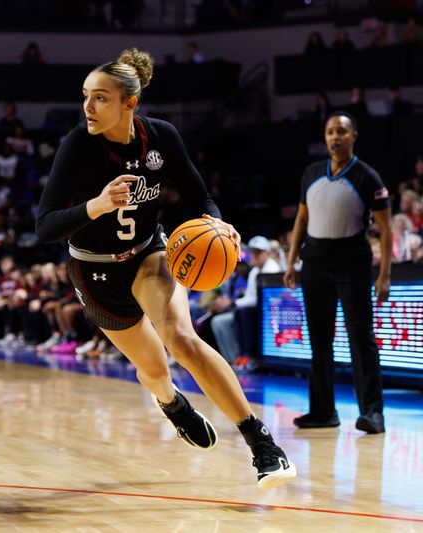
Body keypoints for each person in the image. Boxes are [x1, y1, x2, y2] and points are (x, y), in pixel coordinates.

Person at [36, 48, 296, 489]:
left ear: (129, 103)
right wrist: (96, 206)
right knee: (154, 368)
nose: (88, 107)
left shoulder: (161, 137)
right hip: (94, 270)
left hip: (148, 255)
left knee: (181, 338)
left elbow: (199, 196)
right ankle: (171, 403)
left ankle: (263, 446)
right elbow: (44, 227)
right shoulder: (77, 145)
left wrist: (216, 220)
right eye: (86, 97)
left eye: (100, 98)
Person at [284, 111, 392, 434]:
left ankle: (373, 413)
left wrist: (384, 275)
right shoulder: (311, 173)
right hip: (314, 263)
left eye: (341, 131)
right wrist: (291, 261)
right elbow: (301, 221)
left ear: (353, 136)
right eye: (330, 132)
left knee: (361, 338)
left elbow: (387, 230)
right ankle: (322, 411)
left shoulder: (367, 177)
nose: (335, 137)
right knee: (319, 339)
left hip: (352, 263)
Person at [210, 235, 281, 369]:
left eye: (258, 253)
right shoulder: (255, 271)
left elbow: (261, 301)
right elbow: (250, 297)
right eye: (252, 252)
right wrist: (231, 303)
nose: (253, 256)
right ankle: (232, 359)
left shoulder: (272, 269)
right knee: (219, 321)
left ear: (267, 253)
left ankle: (246, 356)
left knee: (245, 313)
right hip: (256, 310)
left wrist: (232, 303)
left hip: (270, 315)